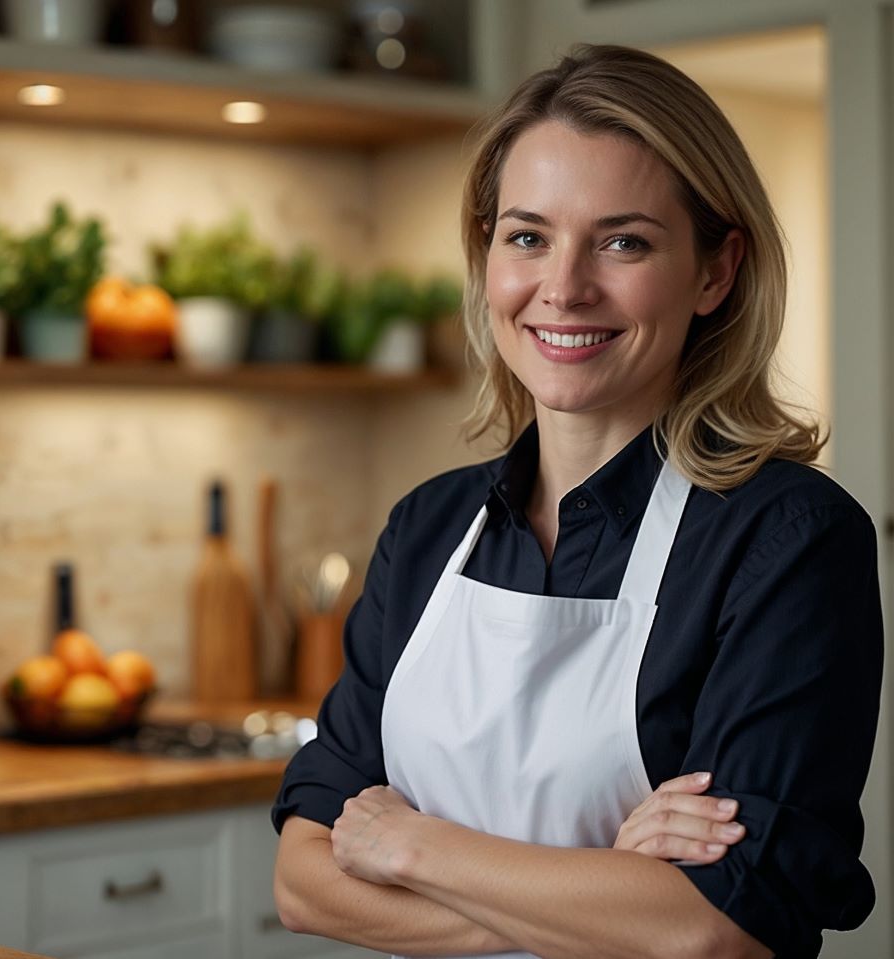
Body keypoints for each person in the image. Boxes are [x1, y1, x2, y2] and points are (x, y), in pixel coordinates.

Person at [271, 43, 882, 959]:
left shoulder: (788, 540)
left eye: (623, 241)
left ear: (715, 272)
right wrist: (606, 883)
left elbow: (717, 930)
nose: (564, 286)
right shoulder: (430, 530)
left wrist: (412, 846)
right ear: (486, 260)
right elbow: (304, 881)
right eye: (527, 236)